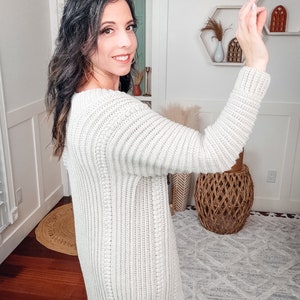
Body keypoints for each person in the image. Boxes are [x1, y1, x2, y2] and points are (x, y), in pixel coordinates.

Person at [45, 0, 270, 299]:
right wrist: (255, 63)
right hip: (137, 282)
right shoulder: (114, 114)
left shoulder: (77, 104)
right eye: (106, 30)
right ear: (79, 38)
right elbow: (216, 152)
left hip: (105, 270)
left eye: (129, 27)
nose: (126, 41)